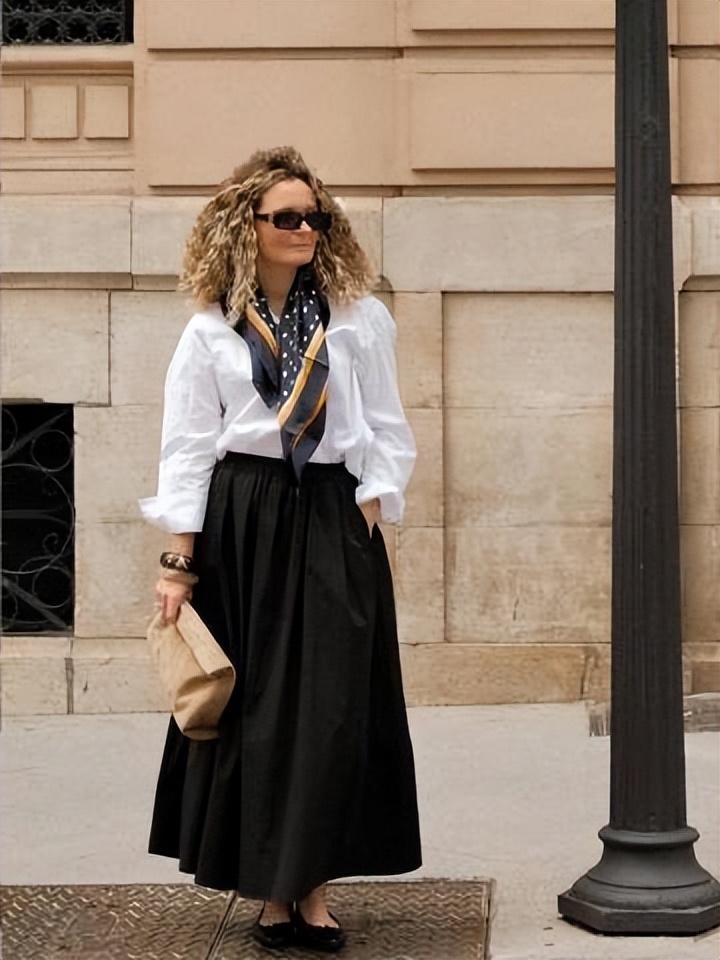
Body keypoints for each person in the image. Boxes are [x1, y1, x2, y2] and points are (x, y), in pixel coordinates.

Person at [140, 146, 422, 952]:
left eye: (315, 216)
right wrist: (179, 561)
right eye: (287, 217)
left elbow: (388, 425)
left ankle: (317, 888)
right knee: (259, 711)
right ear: (248, 227)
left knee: (331, 709)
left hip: (333, 512)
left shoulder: (357, 319)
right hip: (245, 519)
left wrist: (372, 506)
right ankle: (272, 893)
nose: (304, 229)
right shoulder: (211, 331)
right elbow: (188, 447)